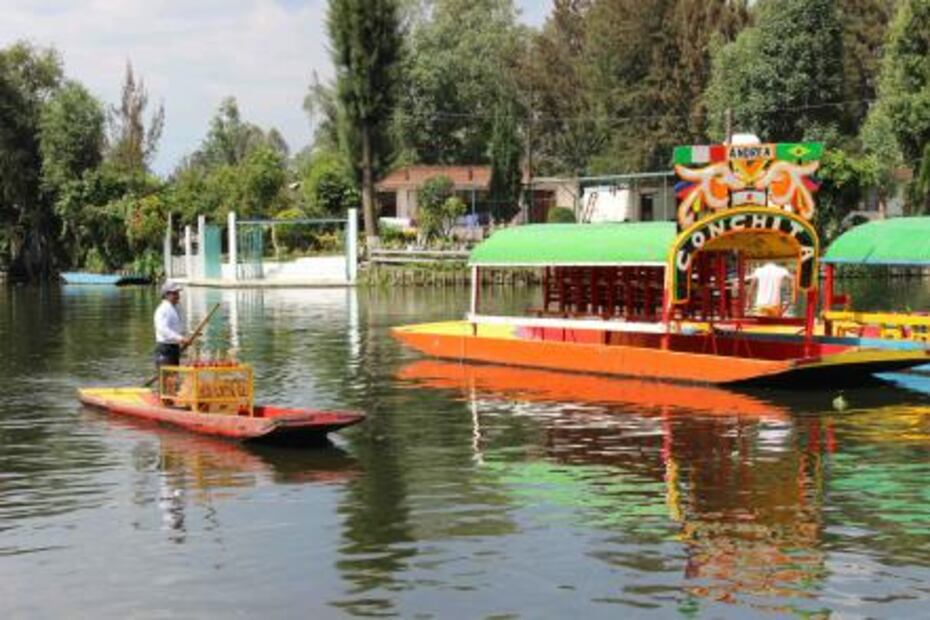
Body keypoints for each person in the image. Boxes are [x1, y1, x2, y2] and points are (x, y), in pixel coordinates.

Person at [154, 281, 190, 370]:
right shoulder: (162, 310)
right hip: (165, 349)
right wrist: (180, 339)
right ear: (166, 295)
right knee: (167, 379)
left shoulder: (175, 308)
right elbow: (163, 329)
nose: (178, 296)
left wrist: (186, 335)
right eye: (174, 293)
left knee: (174, 378)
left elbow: (177, 328)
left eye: (177, 293)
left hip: (174, 348)